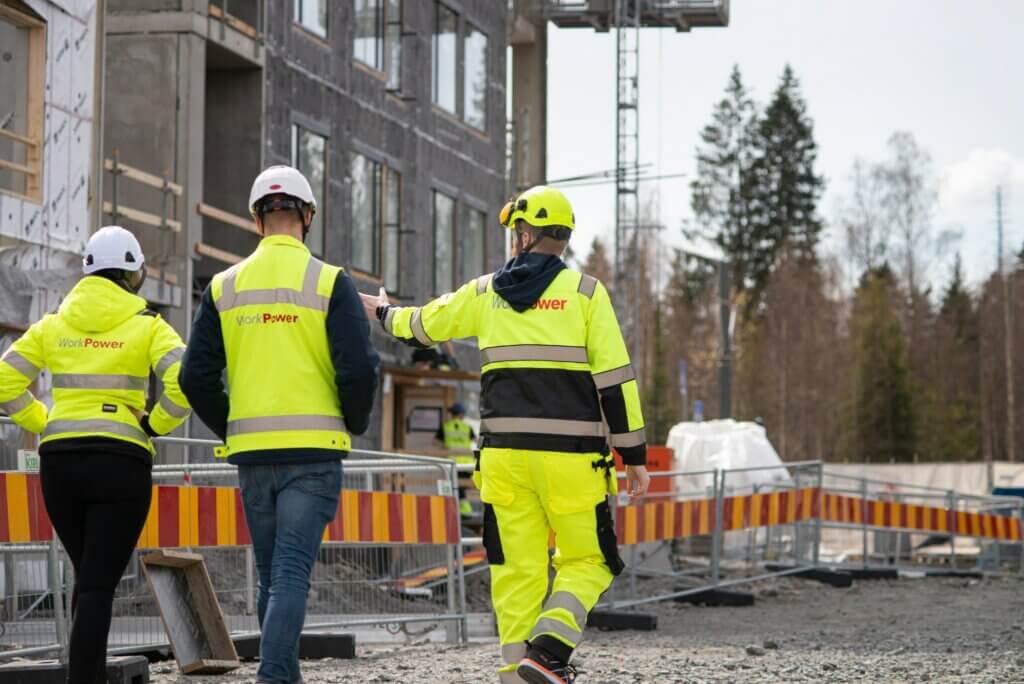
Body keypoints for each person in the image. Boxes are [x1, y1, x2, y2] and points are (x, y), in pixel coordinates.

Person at [361, 185, 650, 684]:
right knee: (589, 560)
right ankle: (548, 652)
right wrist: (634, 454)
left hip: (503, 463)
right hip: (572, 462)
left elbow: (422, 326)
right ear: (562, 237)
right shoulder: (585, 295)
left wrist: (385, 311)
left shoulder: (485, 293)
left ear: (523, 233)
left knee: (516, 571)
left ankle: (515, 671)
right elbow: (615, 381)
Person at [179, 165, 379, 684]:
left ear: (256, 219)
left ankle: (282, 675)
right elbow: (358, 368)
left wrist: (235, 427)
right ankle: (273, 676)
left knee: (273, 575)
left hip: (253, 456)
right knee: (290, 572)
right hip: (313, 454)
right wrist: (353, 421)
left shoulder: (224, 286)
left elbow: (194, 376)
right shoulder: (330, 282)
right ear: (307, 215)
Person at [0, 226, 191, 684]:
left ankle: (79, 673)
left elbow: (5, 380)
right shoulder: (148, 325)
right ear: (132, 274)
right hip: (120, 464)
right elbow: (185, 383)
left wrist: (44, 422)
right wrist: (152, 425)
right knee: (99, 584)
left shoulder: (53, 324)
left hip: (60, 465)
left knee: (87, 576)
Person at [435, 402, 477, 518]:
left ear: (452, 414)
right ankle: (464, 511)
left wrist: (445, 446)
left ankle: (455, 511)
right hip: (466, 465)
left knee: (453, 486)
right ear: (462, 415)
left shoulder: (446, 426)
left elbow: (435, 441)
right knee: (462, 488)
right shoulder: (467, 428)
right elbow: (476, 441)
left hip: (452, 463)